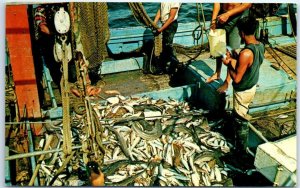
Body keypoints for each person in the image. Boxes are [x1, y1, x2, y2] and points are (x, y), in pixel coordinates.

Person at [222, 15, 265, 152]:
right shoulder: (260, 45)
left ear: (241, 33)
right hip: (252, 87)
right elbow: (253, 64)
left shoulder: (245, 53)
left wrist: (228, 64)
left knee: (240, 121)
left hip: (242, 91)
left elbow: (237, 79)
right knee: (244, 111)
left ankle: (240, 152)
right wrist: (235, 55)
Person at [33, 3, 77, 106]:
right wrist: (56, 34)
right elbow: (42, 27)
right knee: (57, 75)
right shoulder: (41, 9)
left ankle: (75, 98)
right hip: (50, 47)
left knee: (72, 74)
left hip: (67, 46)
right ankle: (67, 99)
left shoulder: (67, 7)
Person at [206, 3, 252, 93]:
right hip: (222, 15)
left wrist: (228, 14)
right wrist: (213, 21)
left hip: (238, 16)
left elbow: (248, 4)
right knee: (218, 44)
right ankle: (217, 73)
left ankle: (227, 81)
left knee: (233, 50)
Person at [153, 2, 181, 74]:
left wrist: (160, 29)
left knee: (168, 46)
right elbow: (160, 9)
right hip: (165, 24)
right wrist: (155, 22)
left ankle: (174, 66)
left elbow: (171, 17)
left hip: (171, 25)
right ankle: (164, 68)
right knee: (165, 46)